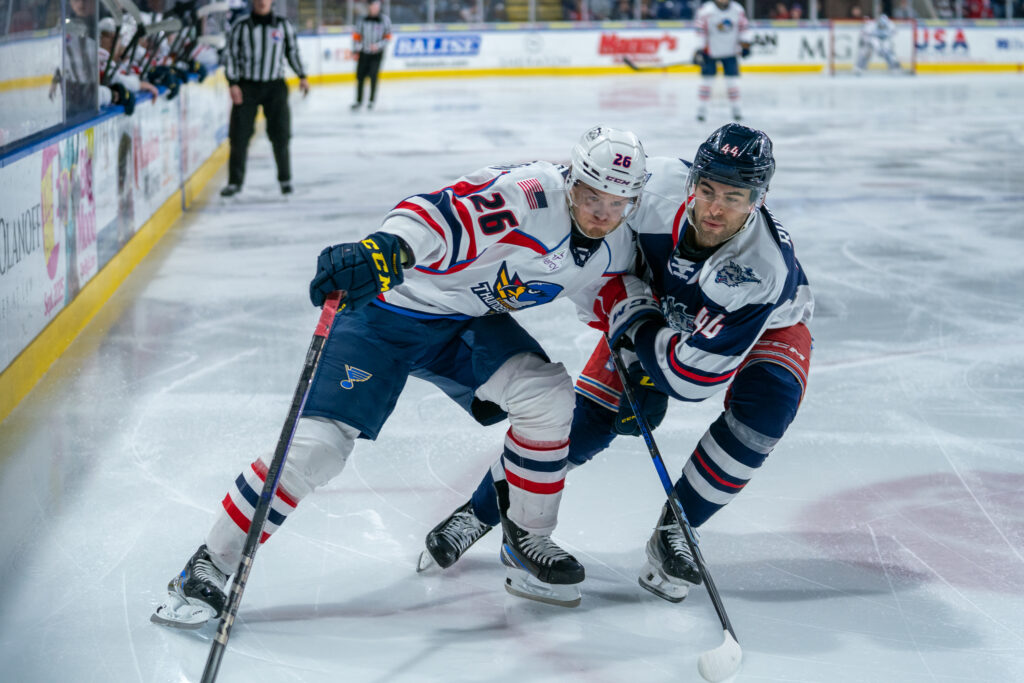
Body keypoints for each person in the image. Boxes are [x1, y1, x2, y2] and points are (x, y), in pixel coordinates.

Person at [151, 126, 650, 628]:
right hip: (386, 316)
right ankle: (208, 564)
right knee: (318, 447)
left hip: (465, 324)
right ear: (573, 180)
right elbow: (442, 213)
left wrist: (636, 364)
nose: (602, 214)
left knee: (547, 397)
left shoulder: (614, 241)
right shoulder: (531, 195)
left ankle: (528, 541)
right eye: (592, 197)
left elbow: (614, 298)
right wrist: (386, 250)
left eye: (617, 203)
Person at [421, 123, 813, 605]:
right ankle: (479, 513)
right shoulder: (652, 188)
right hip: (654, 306)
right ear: (692, 181)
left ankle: (678, 528)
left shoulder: (761, 267)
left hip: (762, 324)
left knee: (767, 411)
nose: (714, 208)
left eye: (733, 198)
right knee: (589, 421)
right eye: (707, 190)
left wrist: (644, 342)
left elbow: (693, 379)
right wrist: (628, 324)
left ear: (758, 198)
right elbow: (597, 260)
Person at [220, 0, 309, 198]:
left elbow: (292, 51)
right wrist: (233, 82)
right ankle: (234, 183)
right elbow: (231, 55)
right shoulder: (240, 26)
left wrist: (302, 75)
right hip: (247, 86)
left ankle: (285, 179)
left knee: (281, 135)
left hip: (275, 86)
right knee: (239, 136)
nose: (262, 1)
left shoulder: (283, 25)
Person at [693, 0, 752, 122]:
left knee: (732, 83)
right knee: (706, 82)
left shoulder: (737, 10)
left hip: (730, 52)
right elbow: (700, 31)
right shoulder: (706, 10)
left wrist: (745, 44)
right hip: (710, 52)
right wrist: (699, 49)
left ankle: (737, 110)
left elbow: (744, 28)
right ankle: (701, 111)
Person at [350, 1, 391, 111]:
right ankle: (358, 101)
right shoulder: (362, 19)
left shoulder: (385, 20)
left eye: (377, 6)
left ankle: (371, 101)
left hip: (377, 54)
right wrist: (356, 49)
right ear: (369, 7)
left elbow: (388, 37)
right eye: (373, 6)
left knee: (373, 76)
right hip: (364, 52)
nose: (374, 8)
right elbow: (356, 35)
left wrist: (378, 46)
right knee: (360, 77)